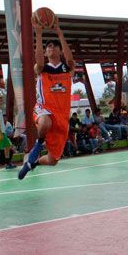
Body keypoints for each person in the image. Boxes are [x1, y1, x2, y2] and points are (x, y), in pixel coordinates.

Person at [18, 15, 75, 180]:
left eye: (55, 46)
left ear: (59, 50)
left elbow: (70, 59)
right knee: (45, 122)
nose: (52, 48)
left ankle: (33, 163)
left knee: (53, 160)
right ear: (45, 51)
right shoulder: (42, 68)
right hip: (44, 107)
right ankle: (38, 145)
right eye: (49, 47)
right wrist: (39, 33)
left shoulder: (67, 68)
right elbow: (39, 61)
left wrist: (59, 32)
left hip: (62, 115)